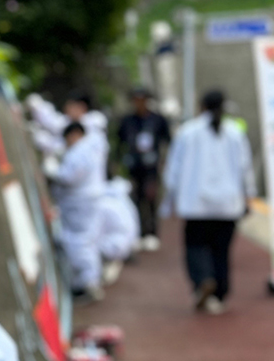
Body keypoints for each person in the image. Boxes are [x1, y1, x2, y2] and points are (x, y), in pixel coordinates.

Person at [162, 89, 256, 314]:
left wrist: (170, 198)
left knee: (195, 247)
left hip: (195, 204)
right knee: (221, 251)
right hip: (227, 205)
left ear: (201, 106)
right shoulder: (234, 133)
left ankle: (202, 280)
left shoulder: (188, 132)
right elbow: (246, 168)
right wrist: (248, 195)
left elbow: (173, 168)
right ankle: (219, 294)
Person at [44, 121, 107, 302]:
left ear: (74, 135)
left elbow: (68, 176)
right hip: (85, 202)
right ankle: (89, 280)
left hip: (79, 203)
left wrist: (51, 170)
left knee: (78, 242)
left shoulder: (81, 151)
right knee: (87, 241)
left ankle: (86, 284)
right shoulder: (89, 149)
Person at [115, 87, 171, 251]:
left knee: (151, 197)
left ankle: (152, 233)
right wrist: (119, 163)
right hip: (134, 166)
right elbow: (120, 143)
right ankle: (139, 233)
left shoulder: (157, 120)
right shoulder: (127, 121)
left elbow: (167, 141)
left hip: (151, 167)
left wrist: (164, 161)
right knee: (136, 199)